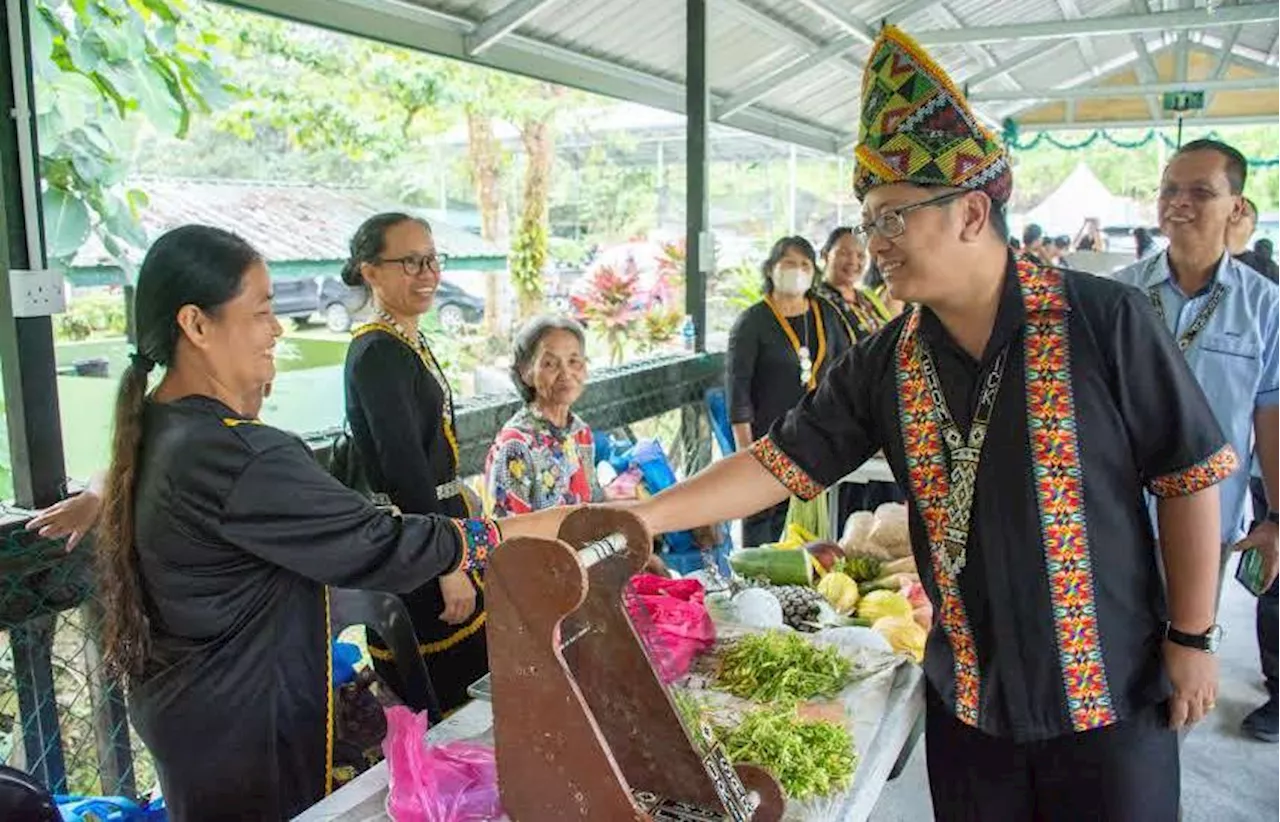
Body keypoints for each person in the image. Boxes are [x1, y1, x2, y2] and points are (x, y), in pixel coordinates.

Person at [627, 26, 1233, 818]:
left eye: (891, 219)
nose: (874, 247)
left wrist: (1192, 638)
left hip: (1111, 697)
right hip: (971, 701)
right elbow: (781, 463)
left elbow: (1188, 477)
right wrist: (644, 513)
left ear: (972, 213)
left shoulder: (1103, 319)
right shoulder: (885, 358)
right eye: (870, 223)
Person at [77, 224, 564, 820]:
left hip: (196, 721)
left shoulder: (166, 431)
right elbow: (380, 542)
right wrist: (501, 535)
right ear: (197, 325)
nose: (278, 329)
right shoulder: (239, 454)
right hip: (246, 733)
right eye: (262, 312)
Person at [1115, 140, 1280, 745]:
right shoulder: (1119, 294)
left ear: (1237, 207)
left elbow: (1271, 415)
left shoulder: (1265, 307)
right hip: (1113, 518)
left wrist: (1277, 518)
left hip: (1203, 528)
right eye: (1169, 190)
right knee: (1109, 664)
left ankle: (1160, 784)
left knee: (1182, 669)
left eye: (1201, 192)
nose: (1179, 204)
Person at [341, 213, 485, 714]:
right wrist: (446, 563)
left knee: (474, 677)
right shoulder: (377, 352)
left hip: (435, 528)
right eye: (409, 262)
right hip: (415, 540)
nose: (426, 272)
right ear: (371, 272)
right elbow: (405, 469)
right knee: (445, 692)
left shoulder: (405, 341)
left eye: (431, 259)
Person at [726, 236, 850, 547]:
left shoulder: (826, 313)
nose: (797, 271)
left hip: (817, 442)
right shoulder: (753, 322)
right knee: (764, 536)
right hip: (767, 443)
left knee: (814, 538)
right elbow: (738, 392)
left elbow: (846, 369)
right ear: (771, 270)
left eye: (805, 265)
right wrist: (746, 454)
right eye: (789, 264)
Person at [486, 315, 603, 516]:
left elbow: (591, 503)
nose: (566, 374)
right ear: (526, 372)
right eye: (550, 364)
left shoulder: (579, 431)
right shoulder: (515, 446)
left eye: (574, 361)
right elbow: (509, 533)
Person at [816, 226, 892, 341]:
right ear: (825, 255)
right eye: (844, 253)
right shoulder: (818, 301)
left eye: (860, 255)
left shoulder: (868, 297)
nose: (853, 261)